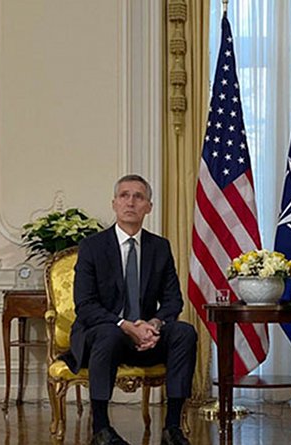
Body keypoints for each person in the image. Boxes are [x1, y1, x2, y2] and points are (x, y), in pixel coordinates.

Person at [65, 174, 196, 445]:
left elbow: (173, 301)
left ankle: (172, 427)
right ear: (114, 204)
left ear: (149, 206)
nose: (131, 202)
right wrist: (126, 326)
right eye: (124, 195)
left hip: (147, 336)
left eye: (138, 197)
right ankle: (101, 428)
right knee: (108, 334)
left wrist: (154, 325)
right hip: (106, 335)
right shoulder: (93, 246)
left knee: (184, 332)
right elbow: (85, 306)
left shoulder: (159, 247)